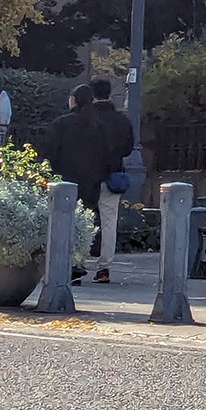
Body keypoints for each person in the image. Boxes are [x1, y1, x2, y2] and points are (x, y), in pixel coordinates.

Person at [40, 87, 115, 285]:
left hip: (64, 180)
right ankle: (78, 261)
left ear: (72, 100)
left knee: (61, 222)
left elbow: (48, 151)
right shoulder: (98, 126)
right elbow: (108, 155)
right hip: (90, 182)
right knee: (84, 223)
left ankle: (64, 264)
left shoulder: (62, 124)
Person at [89, 78, 134, 283]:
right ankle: (104, 267)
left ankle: (76, 264)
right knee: (109, 222)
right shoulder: (122, 121)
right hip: (113, 176)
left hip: (86, 176)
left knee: (81, 221)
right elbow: (128, 148)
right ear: (109, 94)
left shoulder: (85, 119)